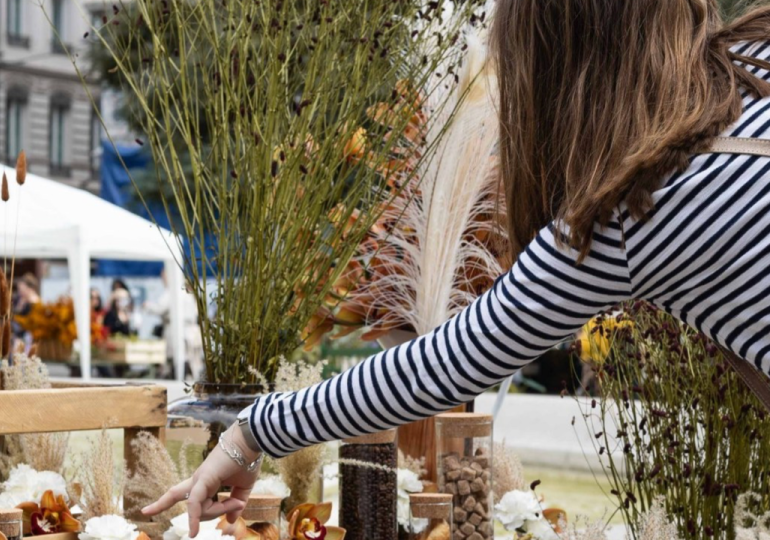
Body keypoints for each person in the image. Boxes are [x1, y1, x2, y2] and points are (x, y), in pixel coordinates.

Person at [144, 1, 770, 535]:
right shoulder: (756, 63)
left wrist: (249, 434)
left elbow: (435, 367)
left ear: (558, 68)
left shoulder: (634, 208)